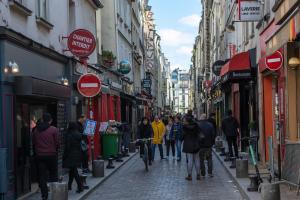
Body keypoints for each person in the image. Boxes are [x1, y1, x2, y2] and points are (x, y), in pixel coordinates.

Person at [32, 113, 59, 200]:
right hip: (51, 155)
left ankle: (44, 195)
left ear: (43, 120)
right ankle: (55, 194)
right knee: (54, 174)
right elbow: (57, 143)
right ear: (50, 120)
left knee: (42, 176)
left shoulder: (36, 130)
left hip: (40, 156)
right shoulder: (54, 129)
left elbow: (34, 143)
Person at [63, 122, 85, 193]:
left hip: (70, 155)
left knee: (74, 171)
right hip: (78, 154)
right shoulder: (78, 134)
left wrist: (65, 155)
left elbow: (67, 147)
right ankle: (69, 185)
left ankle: (80, 186)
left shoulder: (69, 134)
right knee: (72, 170)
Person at [182, 116, 201, 181]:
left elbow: (182, 136)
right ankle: (198, 175)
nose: (183, 122)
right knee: (197, 160)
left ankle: (189, 175)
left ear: (187, 121)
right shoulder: (196, 125)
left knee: (190, 160)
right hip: (196, 144)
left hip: (188, 145)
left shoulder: (184, 127)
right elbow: (199, 133)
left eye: (184, 121)